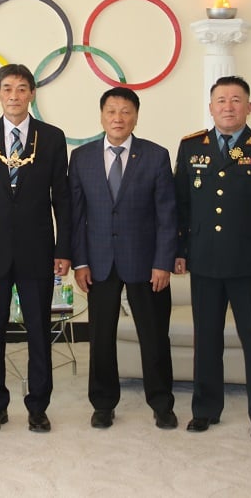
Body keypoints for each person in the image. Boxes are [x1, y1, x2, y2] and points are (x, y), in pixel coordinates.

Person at [173, 75, 251, 441]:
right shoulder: (191, 147)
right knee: (206, 341)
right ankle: (205, 409)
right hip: (204, 261)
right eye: (221, 100)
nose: (228, 106)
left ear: (249, 107)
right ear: (211, 108)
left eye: (236, 100)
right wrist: (179, 251)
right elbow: (181, 206)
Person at [0, 63, 72, 433]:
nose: (14, 95)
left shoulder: (52, 137)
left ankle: (38, 406)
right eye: (7, 88)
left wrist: (64, 248)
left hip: (37, 250)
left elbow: (62, 199)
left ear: (32, 94)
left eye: (22, 88)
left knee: (38, 331)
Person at [69, 87, 177, 430]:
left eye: (126, 111)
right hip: (99, 262)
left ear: (136, 116)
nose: (118, 118)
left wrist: (163, 262)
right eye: (112, 111)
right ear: (102, 116)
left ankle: (162, 403)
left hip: (146, 263)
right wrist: (80, 262)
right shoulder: (82, 157)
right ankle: (103, 404)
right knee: (101, 338)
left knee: (154, 336)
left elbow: (167, 215)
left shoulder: (156, 156)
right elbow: (76, 216)